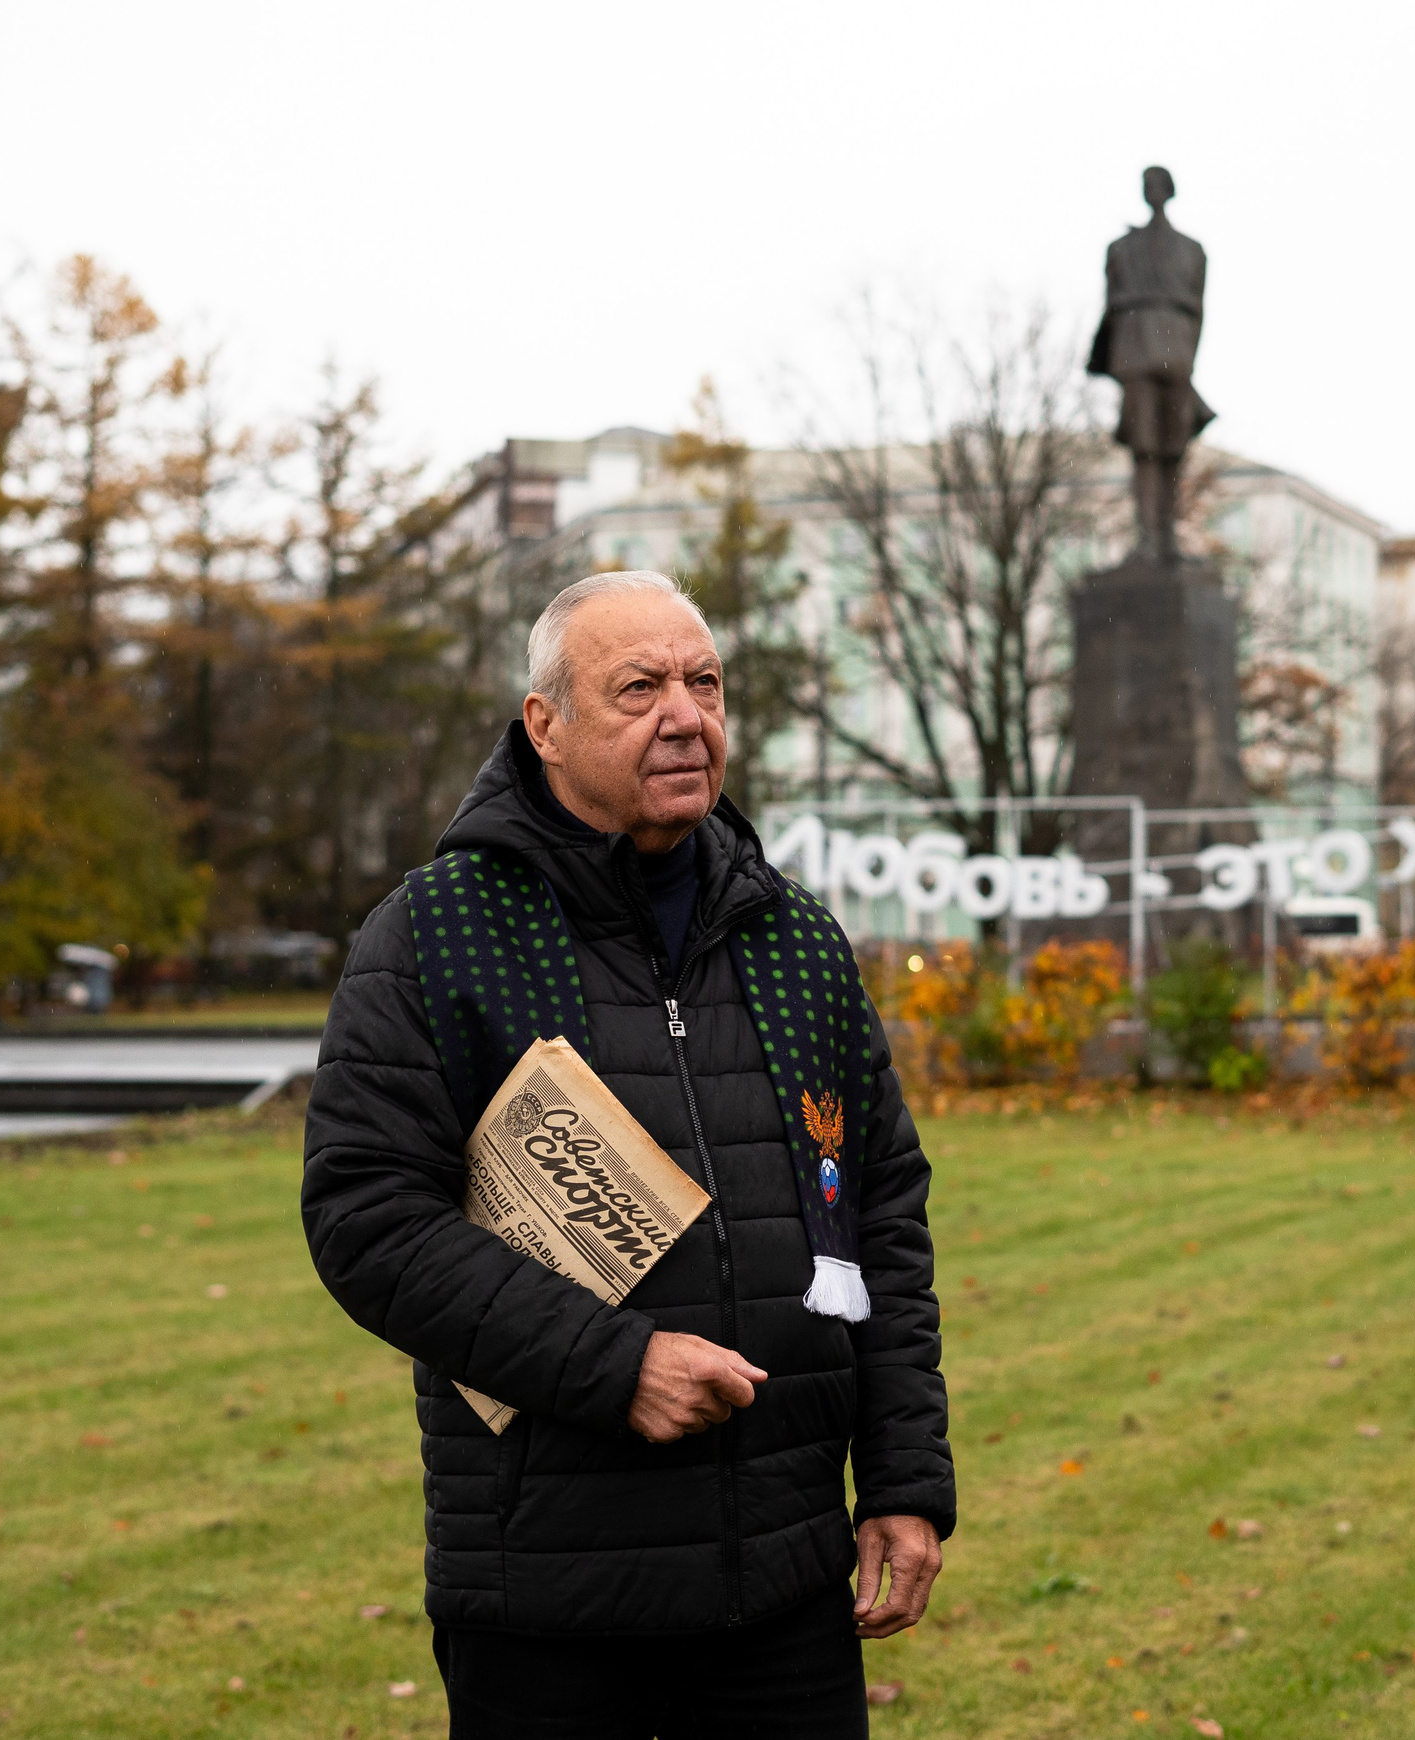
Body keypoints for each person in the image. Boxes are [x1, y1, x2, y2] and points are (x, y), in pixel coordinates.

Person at [302, 570, 952, 1739]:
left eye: (704, 683)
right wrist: (616, 1367)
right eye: (638, 687)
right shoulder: (437, 931)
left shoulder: (795, 938)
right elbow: (367, 1220)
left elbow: (882, 1217)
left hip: (787, 1587)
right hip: (549, 1595)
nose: (685, 715)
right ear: (542, 725)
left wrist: (904, 1480)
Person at [1086, 164, 1217, 559]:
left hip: (1171, 356)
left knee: (1172, 448)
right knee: (1146, 449)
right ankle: (1150, 536)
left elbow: (1198, 311)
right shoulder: (1122, 249)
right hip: (1140, 354)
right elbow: (1112, 304)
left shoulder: (1191, 250)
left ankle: (1167, 538)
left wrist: (1185, 359)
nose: (1152, 191)